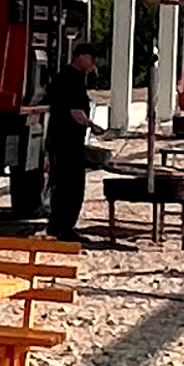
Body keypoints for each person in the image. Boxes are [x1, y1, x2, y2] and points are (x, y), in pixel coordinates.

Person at [44, 46, 105, 245]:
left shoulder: (70, 77)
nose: (92, 64)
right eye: (90, 59)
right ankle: (64, 227)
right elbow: (75, 112)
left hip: (62, 140)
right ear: (80, 57)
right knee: (70, 186)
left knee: (62, 184)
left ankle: (57, 225)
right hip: (67, 141)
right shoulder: (71, 78)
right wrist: (92, 126)